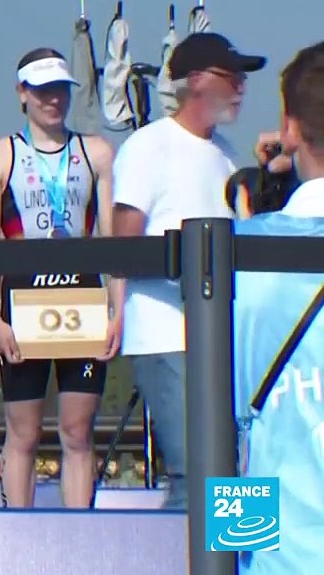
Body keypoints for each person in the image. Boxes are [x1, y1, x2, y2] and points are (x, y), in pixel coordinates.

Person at [110, 31, 265, 509]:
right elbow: (121, 243)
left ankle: (244, 564)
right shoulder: (148, 146)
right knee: (197, 474)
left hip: (222, 337)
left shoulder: (229, 151)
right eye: (231, 77)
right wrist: (115, 314)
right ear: (196, 81)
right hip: (165, 335)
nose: (241, 87)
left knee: (236, 472)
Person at [0, 47, 118, 508]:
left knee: (78, 430)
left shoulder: (96, 152)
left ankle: (78, 536)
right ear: (22, 93)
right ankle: (20, 535)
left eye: (59, 90)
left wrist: (117, 311)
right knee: (25, 431)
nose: (53, 100)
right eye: (42, 90)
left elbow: (112, 240)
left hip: (83, 298)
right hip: (23, 298)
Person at [233, 41, 324, 574]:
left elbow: (231, 421)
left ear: (289, 128)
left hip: (278, 556)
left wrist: (239, 560)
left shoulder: (238, 255)